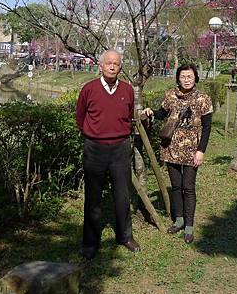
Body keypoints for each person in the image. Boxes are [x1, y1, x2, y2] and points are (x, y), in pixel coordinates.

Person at [76, 49, 140, 260]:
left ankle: (125, 236)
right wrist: (94, 134)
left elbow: (128, 116)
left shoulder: (128, 90)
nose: (112, 66)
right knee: (93, 197)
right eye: (108, 63)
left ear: (120, 67)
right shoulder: (89, 89)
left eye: (116, 64)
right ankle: (90, 242)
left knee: (122, 196)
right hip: (95, 149)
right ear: (101, 66)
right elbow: (80, 117)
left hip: (120, 148)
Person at [142, 63, 213, 244]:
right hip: (171, 148)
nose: (186, 80)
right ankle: (179, 220)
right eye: (183, 76)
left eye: (190, 76)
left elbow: (206, 127)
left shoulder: (203, 98)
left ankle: (189, 226)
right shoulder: (170, 95)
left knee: (188, 188)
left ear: (195, 77)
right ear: (178, 78)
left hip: (192, 150)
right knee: (175, 186)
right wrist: (151, 112)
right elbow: (162, 113)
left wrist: (201, 151)